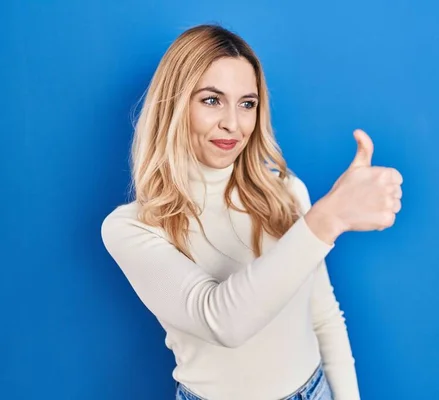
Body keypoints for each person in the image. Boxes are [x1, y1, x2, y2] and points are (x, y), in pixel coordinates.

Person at [101, 24, 403, 400]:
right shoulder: (130, 227)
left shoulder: (285, 192)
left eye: (247, 103)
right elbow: (222, 321)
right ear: (176, 105)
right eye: (212, 100)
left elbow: (323, 317)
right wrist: (329, 219)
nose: (233, 123)